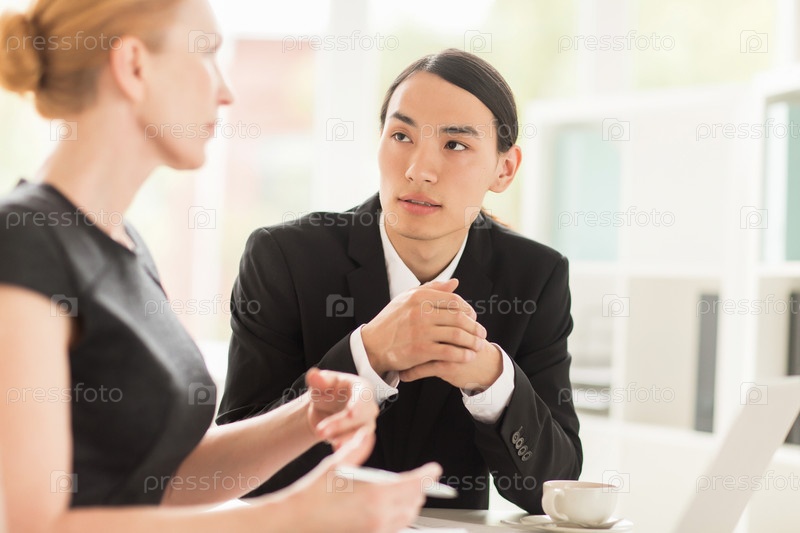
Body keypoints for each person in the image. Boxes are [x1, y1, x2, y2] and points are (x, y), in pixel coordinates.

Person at [0, 1, 439, 532]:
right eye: (206, 52)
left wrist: (307, 417)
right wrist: (292, 518)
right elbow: (34, 523)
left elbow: (162, 479)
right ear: (134, 66)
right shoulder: (24, 239)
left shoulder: (121, 243)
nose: (225, 91)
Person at [217, 48, 583, 513]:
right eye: (401, 136)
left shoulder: (534, 277)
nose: (418, 170)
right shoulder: (284, 258)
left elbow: (554, 489)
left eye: (455, 145)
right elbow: (236, 473)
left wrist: (493, 380)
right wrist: (368, 355)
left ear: (504, 169)